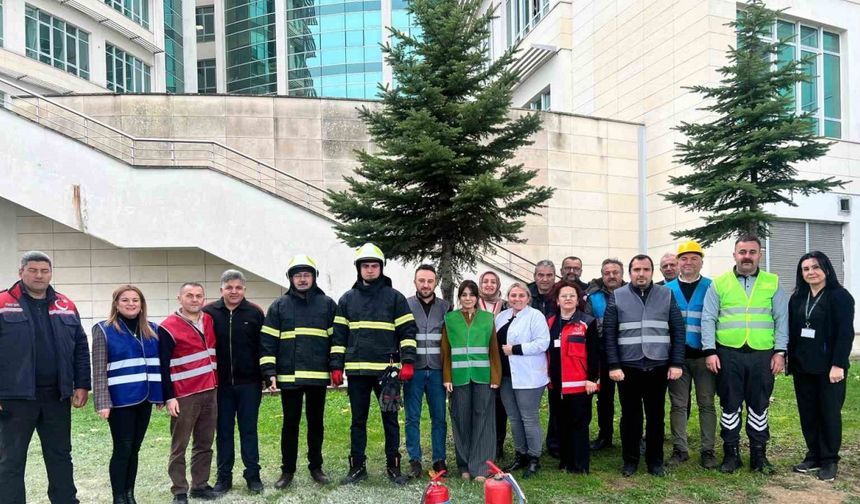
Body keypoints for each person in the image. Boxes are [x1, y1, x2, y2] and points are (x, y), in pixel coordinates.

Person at [0, 251, 91, 504]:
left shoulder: (65, 305)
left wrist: (82, 384)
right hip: (14, 398)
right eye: (33, 270)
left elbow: (80, 347)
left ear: (50, 273)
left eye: (44, 271)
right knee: (11, 458)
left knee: (60, 455)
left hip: (56, 396)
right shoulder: (2, 302)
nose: (39, 275)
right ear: (21, 272)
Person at [331, 243, 418, 486]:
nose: (370, 270)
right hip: (358, 371)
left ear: (381, 268)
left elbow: (408, 332)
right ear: (359, 269)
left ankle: (394, 467)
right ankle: (357, 467)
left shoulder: (395, 298)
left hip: (387, 372)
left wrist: (408, 362)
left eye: (374, 266)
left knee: (390, 420)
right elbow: (339, 337)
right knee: (358, 421)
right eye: (365, 266)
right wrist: (336, 365)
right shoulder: (347, 299)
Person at [702, 235, 787, 474]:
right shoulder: (719, 283)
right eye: (742, 252)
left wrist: (780, 352)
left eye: (752, 252)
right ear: (734, 255)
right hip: (728, 353)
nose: (746, 256)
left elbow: (782, 319)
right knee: (729, 404)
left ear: (760, 254)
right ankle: (731, 455)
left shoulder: (772, 282)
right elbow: (708, 318)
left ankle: (758, 456)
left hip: (762, 354)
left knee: (759, 405)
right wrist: (710, 351)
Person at [603, 254, 686, 477]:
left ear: (652, 272)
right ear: (630, 273)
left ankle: (655, 461)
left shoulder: (666, 294)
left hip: (658, 366)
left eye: (646, 269)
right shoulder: (617, 296)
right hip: (627, 368)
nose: (641, 274)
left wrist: (676, 362)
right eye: (637, 270)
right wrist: (613, 365)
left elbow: (678, 330)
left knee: (656, 417)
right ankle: (630, 460)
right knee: (630, 417)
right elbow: (609, 333)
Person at [260, 255, 337, 488]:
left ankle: (316, 467)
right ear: (291, 278)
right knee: (290, 424)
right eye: (298, 275)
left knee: (316, 423)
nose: (302, 279)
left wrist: (335, 367)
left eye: (307, 275)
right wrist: (269, 371)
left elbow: (337, 339)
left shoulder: (327, 304)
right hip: (289, 377)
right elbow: (267, 341)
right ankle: (288, 471)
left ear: (314, 277)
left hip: (316, 376)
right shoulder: (279, 306)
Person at [92, 285, 163, 504]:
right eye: (125, 300)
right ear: (116, 303)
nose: (131, 304)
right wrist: (103, 402)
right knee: (123, 447)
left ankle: (130, 494)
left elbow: (158, 365)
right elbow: (99, 368)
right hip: (120, 400)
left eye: (135, 300)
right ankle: (118, 497)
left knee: (135, 448)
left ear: (142, 304)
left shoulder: (152, 329)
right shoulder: (104, 329)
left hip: (146, 397)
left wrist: (160, 395)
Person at [788, 251, 853, 482]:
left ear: (826, 268)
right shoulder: (797, 297)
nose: (811, 272)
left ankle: (829, 460)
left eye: (815, 267)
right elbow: (792, 332)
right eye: (805, 269)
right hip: (803, 367)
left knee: (829, 414)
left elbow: (845, 334)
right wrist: (789, 360)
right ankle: (813, 455)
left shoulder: (840, 296)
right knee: (808, 414)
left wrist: (838, 364)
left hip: (829, 369)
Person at [203, 270, 265, 494]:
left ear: (244, 289)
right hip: (220, 385)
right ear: (221, 290)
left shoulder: (255, 312)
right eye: (229, 287)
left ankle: (253, 476)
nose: (234, 291)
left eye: (238, 287)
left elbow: (263, 347)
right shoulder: (208, 313)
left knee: (249, 430)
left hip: (250, 384)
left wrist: (266, 375)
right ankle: (223, 478)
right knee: (224, 431)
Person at [159, 282, 220, 503]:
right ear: (179, 298)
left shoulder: (209, 320)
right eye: (189, 295)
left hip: (210, 391)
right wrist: (169, 396)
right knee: (179, 445)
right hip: (184, 394)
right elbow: (162, 365)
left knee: (204, 443)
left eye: (199, 296)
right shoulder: (168, 327)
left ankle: (200, 486)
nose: (194, 299)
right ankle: (179, 490)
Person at [441, 280, 501, 482]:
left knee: (483, 419)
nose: (468, 298)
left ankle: (482, 468)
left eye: (471, 295)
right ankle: (464, 466)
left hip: (483, 376)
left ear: (477, 297)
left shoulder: (487, 318)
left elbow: (493, 349)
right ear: (459, 297)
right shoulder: (450, 319)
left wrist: (496, 375)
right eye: (464, 294)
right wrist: (447, 376)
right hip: (458, 378)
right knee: (461, 420)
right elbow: (445, 351)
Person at [665, 241, 718, 469]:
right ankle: (680, 449)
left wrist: (713, 352)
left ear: (701, 262)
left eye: (693, 258)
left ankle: (708, 450)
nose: (688, 262)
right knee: (678, 404)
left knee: (706, 403)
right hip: (677, 359)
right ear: (678, 262)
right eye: (684, 258)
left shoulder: (712, 287)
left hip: (704, 356)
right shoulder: (666, 290)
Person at [496, 283, 550, 478]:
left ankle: (534, 457)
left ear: (528, 298)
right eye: (513, 295)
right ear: (508, 297)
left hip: (529, 377)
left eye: (521, 295)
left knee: (529, 417)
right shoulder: (501, 317)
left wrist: (516, 349)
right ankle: (521, 454)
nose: (517, 298)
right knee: (514, 417)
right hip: (506, 377)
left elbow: (543, 343)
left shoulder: (535, 316)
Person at [547, 281, 599, 474]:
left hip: (580, 384)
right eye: (564, 296)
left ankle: (581, 464)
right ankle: (566, 462)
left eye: (572, 296)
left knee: (579, 424)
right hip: (556, 384)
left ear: (578, 300)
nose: (568, 299)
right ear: (557, 300)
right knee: (561, 423)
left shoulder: (587, 322)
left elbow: (594, 353)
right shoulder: (550, 322)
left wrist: (592, 379)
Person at [404, 265, 450, 479]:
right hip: (414, 370)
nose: (425, 285)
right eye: (421, 280)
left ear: (436, 283)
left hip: (438, 370)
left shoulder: (445, 307)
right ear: (415, 282)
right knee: (412, 417)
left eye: (430, 281)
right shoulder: (405, 305)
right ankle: (415, 460)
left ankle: (439, 459)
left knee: (439, 417)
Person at [586, 258, 626, 451]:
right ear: (602, 275)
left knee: (631, 398)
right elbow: (590, 329)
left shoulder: (632, 294)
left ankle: (631, 435)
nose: (611, 276)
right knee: (604, 399)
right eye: (607, 273)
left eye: (615, 272)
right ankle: (605, 436)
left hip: (629, 354)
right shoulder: (593, 298)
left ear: (622, 274)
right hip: (603, 355)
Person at [478, 270, 509, 459]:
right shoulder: (472, 304)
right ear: (480, 284)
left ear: (498, 285)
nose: (489, 285)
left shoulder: (506, 306)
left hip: (501, 362)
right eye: (485, 281)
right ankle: (481, 442)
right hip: (479, 361)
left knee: (500, 405)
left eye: (493, 282)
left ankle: (497, 445)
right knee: (481, 404)